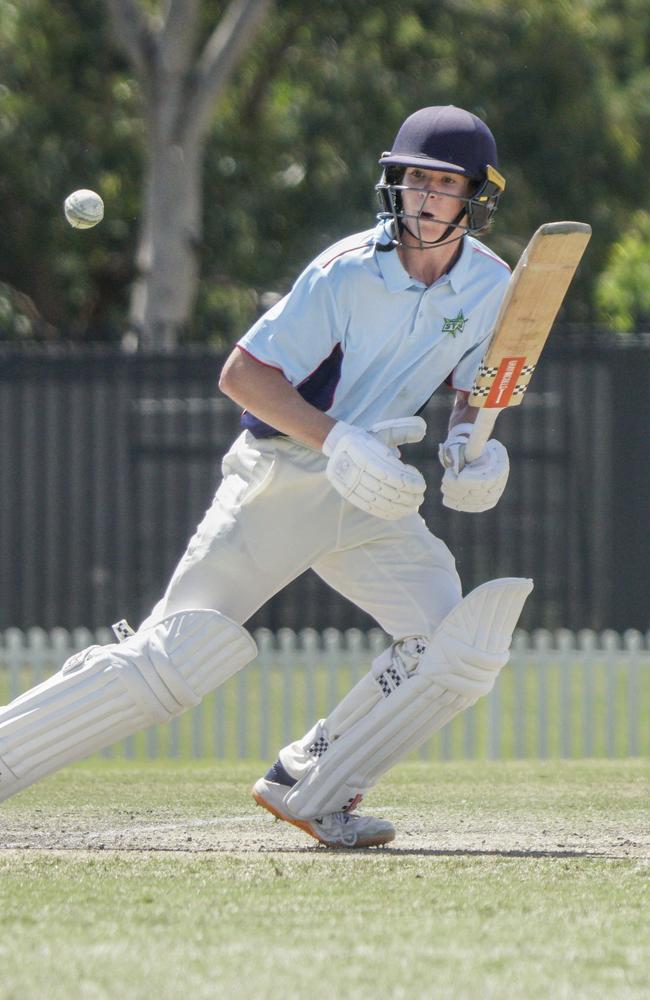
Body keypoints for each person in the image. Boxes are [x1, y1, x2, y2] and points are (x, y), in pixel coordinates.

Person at [0, 106, 532, 846]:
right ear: (396, 186)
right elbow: (244, 374)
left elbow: (477, 387)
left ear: (476, 196)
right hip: (284, 477)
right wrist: (337, 442)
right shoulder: (347, 271)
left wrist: (473, 447)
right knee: (177, 655)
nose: (425, 197)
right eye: (414, 180)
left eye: (443, 184)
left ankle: (312, 782)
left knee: (455, 649)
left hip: (374, 491)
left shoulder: (490, 285)